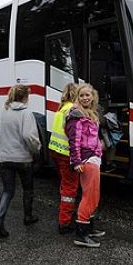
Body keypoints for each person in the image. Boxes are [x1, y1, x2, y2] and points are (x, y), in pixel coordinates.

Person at [0, 85, 40, 238]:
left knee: (7, 190)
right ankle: (28, 216)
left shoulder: (3, 111)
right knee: (27, 189)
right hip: (22, 158)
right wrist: (36, 148)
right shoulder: (26, 113)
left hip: (4, 157)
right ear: (25, 97)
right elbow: (28, 136)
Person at [66, 84, 105, 248]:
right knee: (89, 196)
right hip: (86, 160)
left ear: (93, 96)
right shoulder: (76, 116)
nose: (85, 98)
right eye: (82, 95)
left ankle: (88, 228)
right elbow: (74, 141)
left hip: (93, 158)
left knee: (93, 196)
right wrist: (76, 162)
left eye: (88, 95)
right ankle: (81, 234)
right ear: (77, 97)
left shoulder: (90, 114)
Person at [48, 83, 79, 234]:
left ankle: (66, 212)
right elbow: (73, 136)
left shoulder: (61, 108)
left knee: (64, 184)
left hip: (55, 151)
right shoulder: (73, 110)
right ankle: (64, 222)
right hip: (67, 154)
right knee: (70, 188)